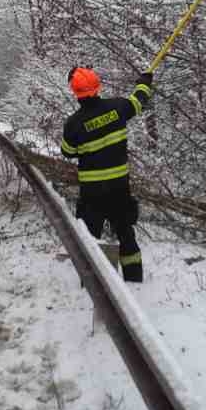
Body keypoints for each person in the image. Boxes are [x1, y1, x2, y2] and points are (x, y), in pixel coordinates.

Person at [60, 66, 153, 282]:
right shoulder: (118, 107)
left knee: (90, 237)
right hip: (119, 187)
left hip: (92, 193)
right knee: (125, 232)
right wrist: (144, 82)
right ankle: (133, 278)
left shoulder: (73, 124)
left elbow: (68, 152)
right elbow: (139, 101)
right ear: (97, 86)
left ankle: (91, 283)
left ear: (75, 92)